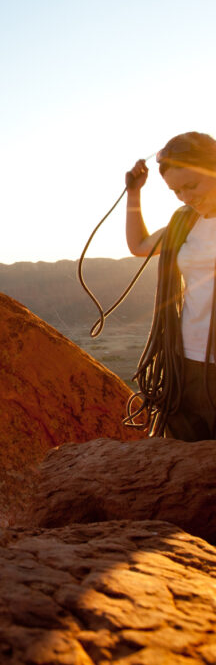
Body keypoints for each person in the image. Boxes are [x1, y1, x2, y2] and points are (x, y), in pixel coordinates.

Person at [126, 131, 216, 440]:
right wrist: (134, 194)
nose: (186, 197)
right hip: (186, 361)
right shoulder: (185, 222)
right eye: (176, 191)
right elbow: (139, 245)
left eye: (192, 186)